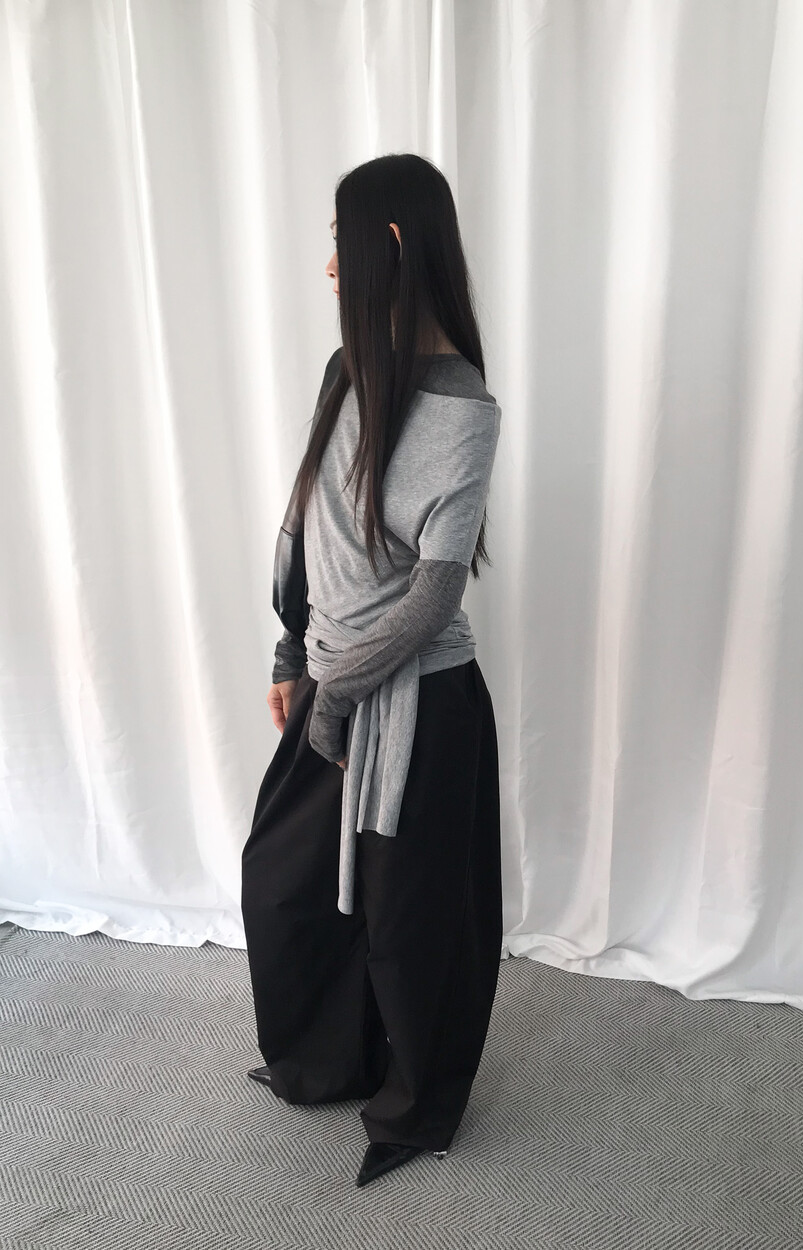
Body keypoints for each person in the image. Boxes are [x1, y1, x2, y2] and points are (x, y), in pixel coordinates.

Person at [240, 154, 504, 1189]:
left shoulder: (464, 410)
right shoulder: (343, 371)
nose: (328, 268)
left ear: (387, 245)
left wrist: (338, 692)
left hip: (421, 704)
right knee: (286, 882)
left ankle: (415, 1106)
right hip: (330, 681)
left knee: (410, 926)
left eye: (338, 244)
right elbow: (306, 520)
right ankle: (326, 1060)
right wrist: (291, 656)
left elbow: (433, 596)